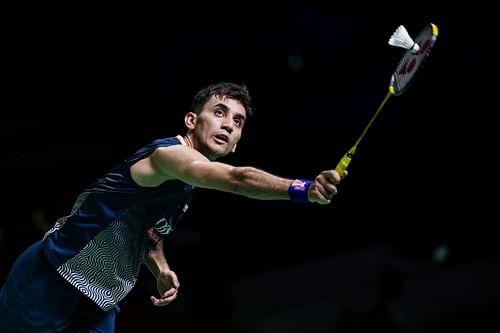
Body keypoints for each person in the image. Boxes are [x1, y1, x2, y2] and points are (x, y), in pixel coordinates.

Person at [0, 81, 347, 332]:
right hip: (53, 277)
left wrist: (160, 268)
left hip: (100, 298)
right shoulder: (168, 157)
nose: (227, 123)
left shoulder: (186, 184)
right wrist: (301, 189)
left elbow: (149, 230)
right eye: (219, 112)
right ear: (192, 121)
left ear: (237, 143)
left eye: (237, 121)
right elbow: (238, 180)